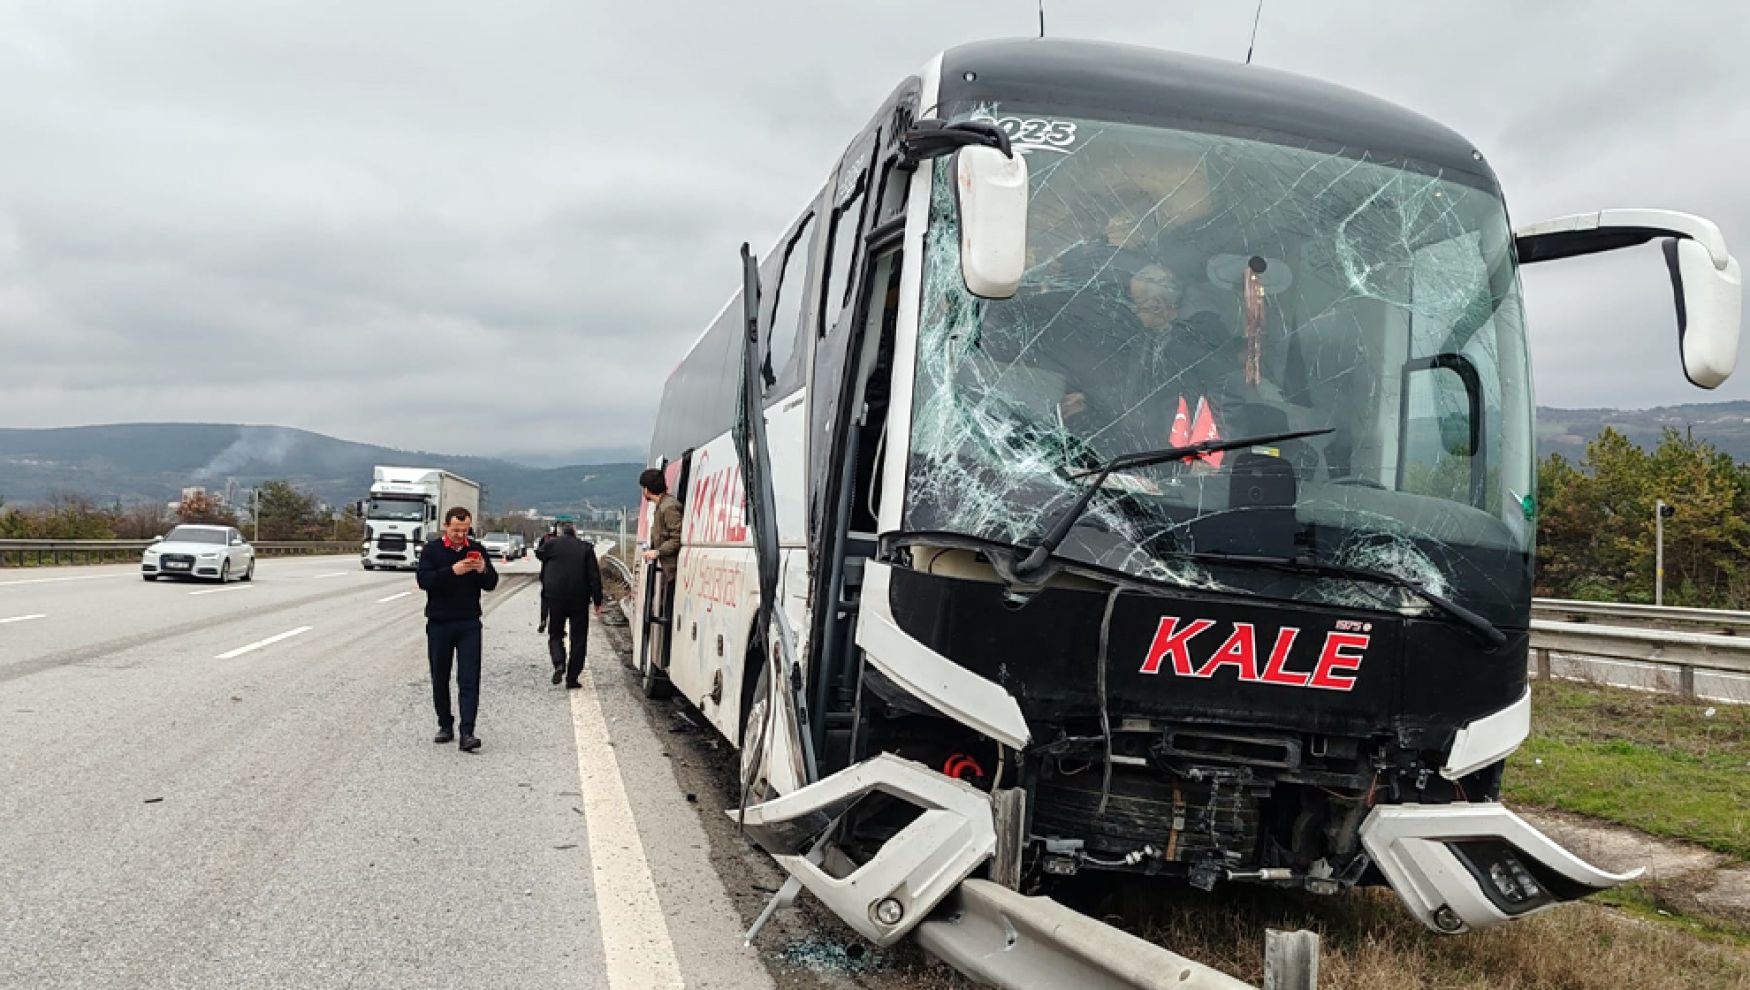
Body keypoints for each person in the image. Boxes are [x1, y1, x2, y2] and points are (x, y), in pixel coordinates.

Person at [415, 506, 500, 752]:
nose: (460, 535)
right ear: (445, 527)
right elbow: (424, 581)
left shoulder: (476, 549)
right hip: (440, 623)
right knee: (440, 676)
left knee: (469, 678)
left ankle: (468, 732)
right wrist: (452, 571)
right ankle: (445, 723)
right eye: (455, 530)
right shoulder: (432, 551)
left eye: (464, 530)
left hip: (469, 623)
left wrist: (482, 569)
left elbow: (492, 584)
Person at [536, 523, 604, 688]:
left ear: (559, 533)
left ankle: (559, 662)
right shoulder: (586, 548)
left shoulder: (551, 545)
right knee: (578, 637)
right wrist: (597, 601)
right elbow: (594, 576)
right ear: (575, 533)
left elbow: (539, 554)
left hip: (555, 596)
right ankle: (572, 677)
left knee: (556, 633)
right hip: (579, 597)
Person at [639, 469, 682, 582]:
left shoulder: (668, 507)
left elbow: (677, 538)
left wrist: (657, 552)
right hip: (669, 569)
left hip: (674, 570)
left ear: (646, 489)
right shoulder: (662, 505)